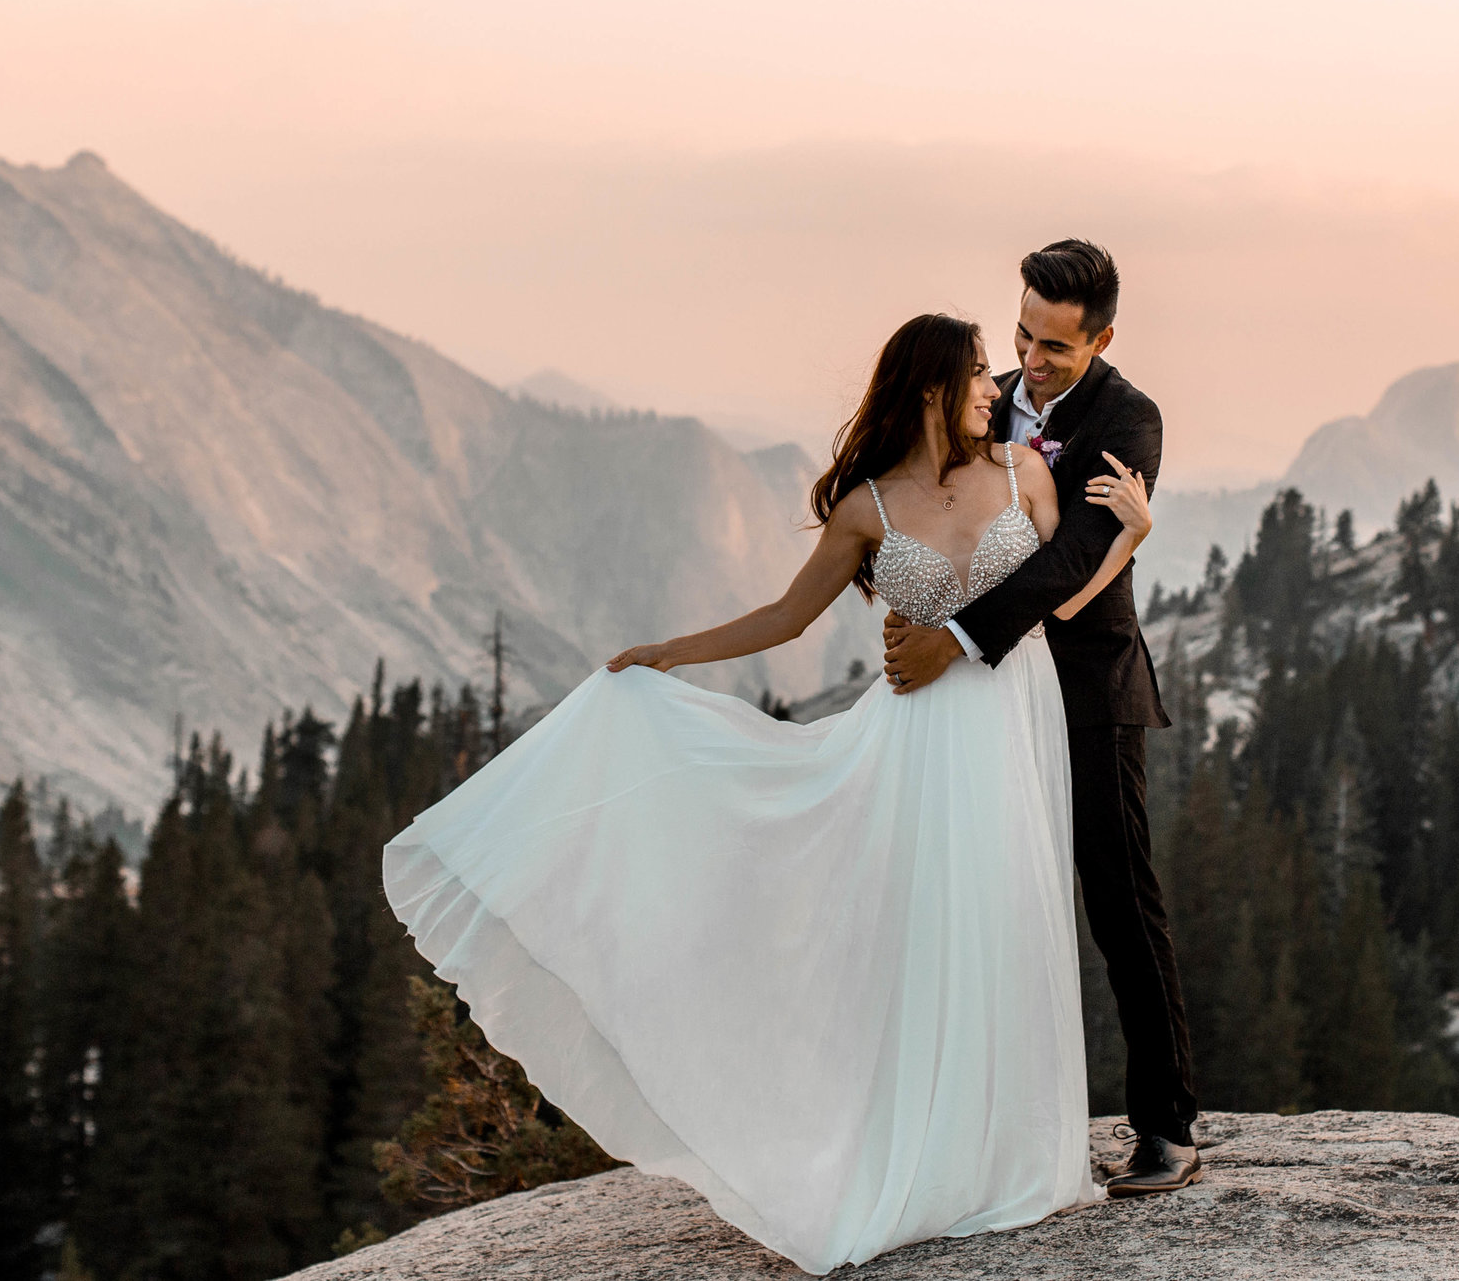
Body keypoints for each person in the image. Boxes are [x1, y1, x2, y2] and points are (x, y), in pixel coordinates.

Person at [383, 310, 1156, 1275]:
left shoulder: (1023, 475)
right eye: (973, 382)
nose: (994, 393)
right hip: (918, 745)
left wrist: (1130, 538)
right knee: (924, 936)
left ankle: (1014, 1152)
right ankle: (927, 1156)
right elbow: (790, 616)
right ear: (928, 389)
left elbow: (1061, 599)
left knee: (1010, 921)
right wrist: (670, 651)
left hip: (1011, 727)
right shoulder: (868, 507)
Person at [882, 238, 1201, 1195]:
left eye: (1057, 345)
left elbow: (1073, 563)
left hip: (1086, 688)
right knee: (983, 899)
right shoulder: (990, 394)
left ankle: (1167, 1128)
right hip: (985, 700)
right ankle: (981, 1133)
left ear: (1102, 337)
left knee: (1117, 897)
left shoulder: (1129, 418)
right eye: (1023, 333)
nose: (1033, 357)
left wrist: (960, 635)